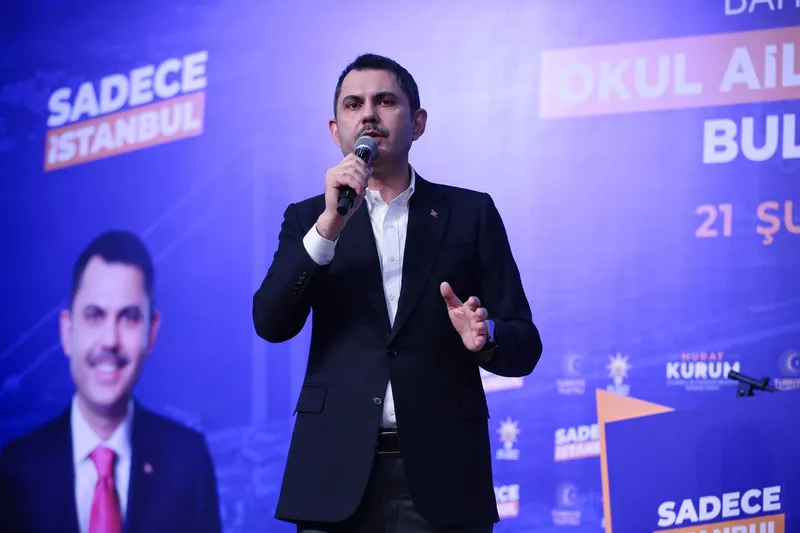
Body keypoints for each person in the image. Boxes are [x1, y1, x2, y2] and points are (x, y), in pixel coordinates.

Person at [252, 53, 542, 533]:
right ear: (335, 130)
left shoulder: (470, 214)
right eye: (353, 104)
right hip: (332, 477)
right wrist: (329, 227)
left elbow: (525, 345)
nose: (368, 114)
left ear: (418, 122)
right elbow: (270, 323)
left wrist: (485, 335)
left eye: (385, 101)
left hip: (444, 479)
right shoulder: (309, 218)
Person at [0, 230, 221, 533]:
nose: (110, 340)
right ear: (67, 331)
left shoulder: (188, 462)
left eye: (129, 317)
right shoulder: (16, 470)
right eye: (94, 316)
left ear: (152, 332)